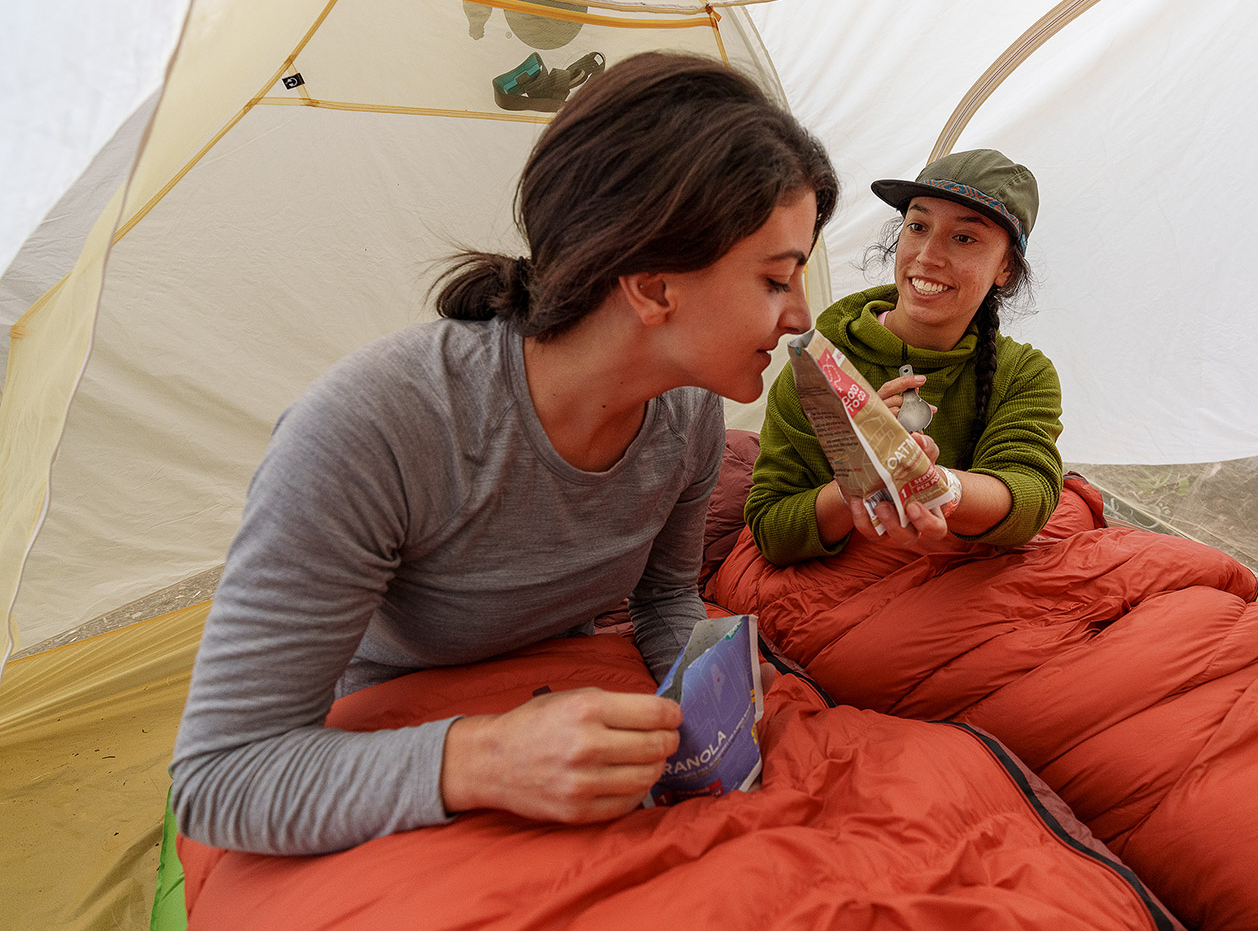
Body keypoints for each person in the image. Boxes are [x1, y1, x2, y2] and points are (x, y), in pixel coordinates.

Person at [170, 52, 839, 855]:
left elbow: (663, 598)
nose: (802, 315)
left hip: (567, 690)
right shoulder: (375, 429)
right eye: (776, 279)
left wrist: (715, 696)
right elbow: (217, 778)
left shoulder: (688, 413)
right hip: (395, 737)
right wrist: (484, 757)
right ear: (653, 286)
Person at [745, 149, 1062, 567]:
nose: (927, 256)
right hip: (839, 583)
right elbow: (771, 527)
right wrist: (862, 473)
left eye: (964, 237)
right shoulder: (823, 362)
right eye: (918, 226)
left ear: (1005, 267)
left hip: (956, 584)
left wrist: (935, 484)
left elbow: (1029, 496)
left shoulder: (1024, 374)